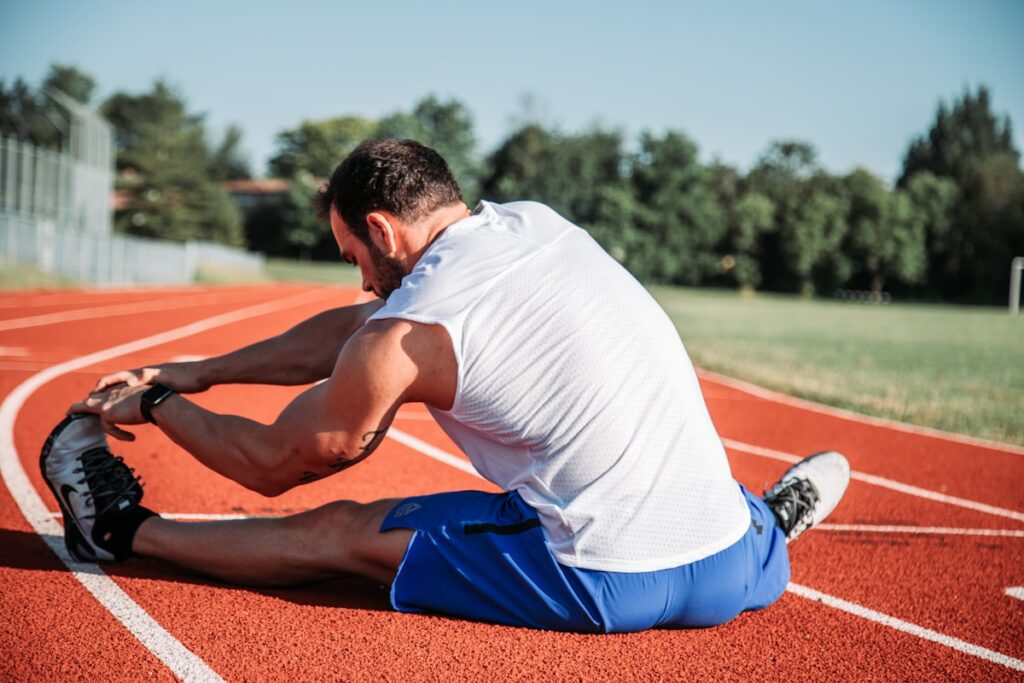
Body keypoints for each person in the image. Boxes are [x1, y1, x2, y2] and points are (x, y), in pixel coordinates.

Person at [41, 139, 850, 633]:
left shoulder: (403, 334)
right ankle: (768, 523)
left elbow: (275, 461)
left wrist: (157, 401)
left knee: (338, 533)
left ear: (383, 231)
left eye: (353, 255)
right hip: (728, 568)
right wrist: (202, 370)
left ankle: (119, 532)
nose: (358, 279)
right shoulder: (534, 224)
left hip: (600, 575)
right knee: (676, 464)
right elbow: (362, 329)